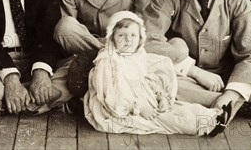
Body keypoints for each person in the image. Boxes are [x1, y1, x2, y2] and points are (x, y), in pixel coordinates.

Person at [85, 11, 229, 136]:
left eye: (133, 35)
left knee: (174, 107)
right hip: (121, 109)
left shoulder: (137, 55)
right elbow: (111, 95)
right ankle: (208, 124)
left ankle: (213, 115)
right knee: (163, 120)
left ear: (140, 38)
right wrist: (139, 107)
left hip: (146, 99)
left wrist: (161, 96)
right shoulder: (108, 61)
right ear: (112, 38)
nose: (128, 40)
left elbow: (147, 79)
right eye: (122, 35)